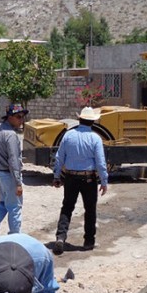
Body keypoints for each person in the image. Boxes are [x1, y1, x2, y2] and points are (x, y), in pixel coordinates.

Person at [51, 106, 108, 254]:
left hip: (70, 177)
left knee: (67, 207)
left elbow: (59, 158)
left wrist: (57, 176)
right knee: (90, 210)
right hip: (88, 178)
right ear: (92, 122)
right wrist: (104, 181)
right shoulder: (95, 138)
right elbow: (100, 163)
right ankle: (88, 242)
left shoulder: (68, 135)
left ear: (79, 119)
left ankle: (60, 237)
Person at [0, 103, 27, 238]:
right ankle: (15, 237)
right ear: (10, 117)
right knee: (15, 206)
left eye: (23, 117)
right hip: (9, 176)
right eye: (18, 117)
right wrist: (18, 183)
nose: (22, 120)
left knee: (3, 203)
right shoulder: (11, 135)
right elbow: (14, 161)